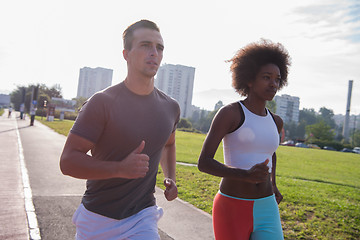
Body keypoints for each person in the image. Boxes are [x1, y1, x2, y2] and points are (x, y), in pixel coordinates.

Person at [60, 20, 180, 240]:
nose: (154, 53)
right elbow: (68, 161)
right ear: (126, 54)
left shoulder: (170, 107)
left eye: (159, 47)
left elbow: (169, 143)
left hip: (142, 216)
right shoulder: (102, 102)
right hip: (97, 219)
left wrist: (170, 177)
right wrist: (119, 169)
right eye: (145, 45)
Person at [198, 39, 291, 240]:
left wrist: (273, 184)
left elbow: (270, 153)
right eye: (267, 77)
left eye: (277, 79)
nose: (273, 84)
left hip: (267, 206)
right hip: (232, 205)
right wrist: (245, 175)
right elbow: (204, 162)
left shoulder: (276, 121)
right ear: (249, 79)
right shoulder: (230, 114)